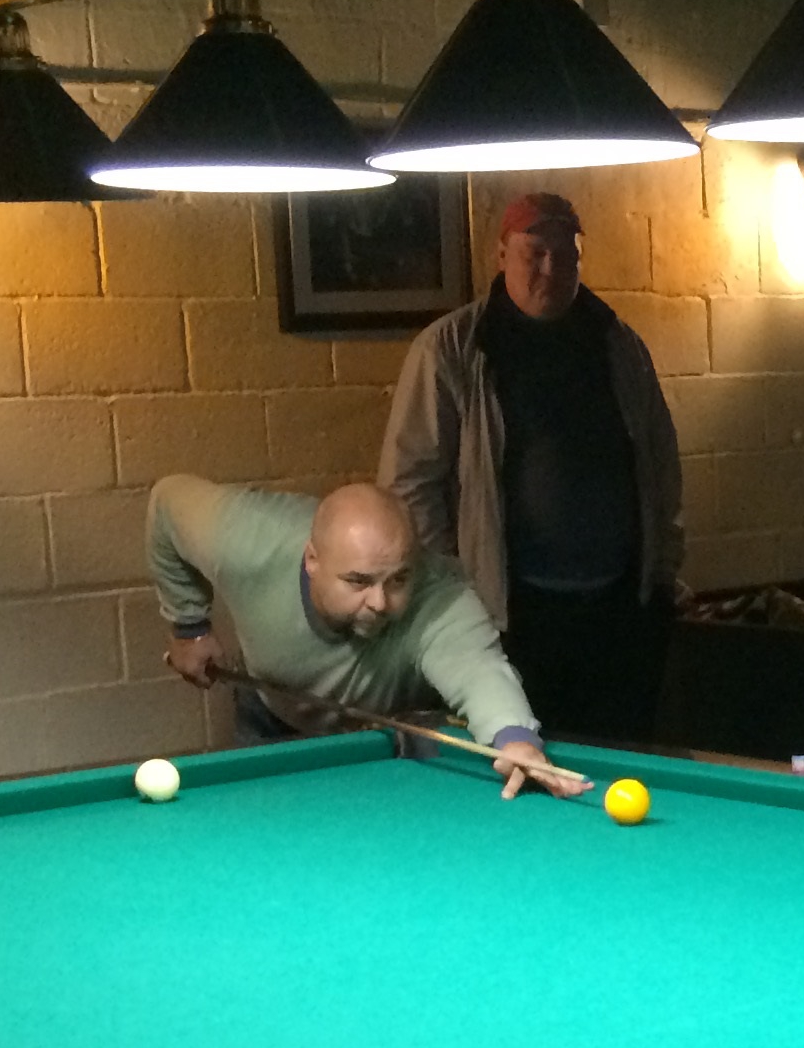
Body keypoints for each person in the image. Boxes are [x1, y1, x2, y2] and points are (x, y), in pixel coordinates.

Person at [379, 190, 684, 742]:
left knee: (621, 758)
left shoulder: (617, 344)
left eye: (566, 256)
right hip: (509, 619)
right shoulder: (452, 348)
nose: (551, 269)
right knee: (522, 755)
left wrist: (661, 578)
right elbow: (411, 484)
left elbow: (660, 464)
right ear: (502, 255)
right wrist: (451, 592)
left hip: (617, 614)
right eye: (535, 254)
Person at [147, 475, 572, 799]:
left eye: (398, 579)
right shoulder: (249, 537)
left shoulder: (440, 596)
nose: (380, 602)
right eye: (358, 581)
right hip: (271, 718)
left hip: (388, 743)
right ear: (312, 560)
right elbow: (167, 502)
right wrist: (189, 627)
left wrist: (516, 740)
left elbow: (479, 671)